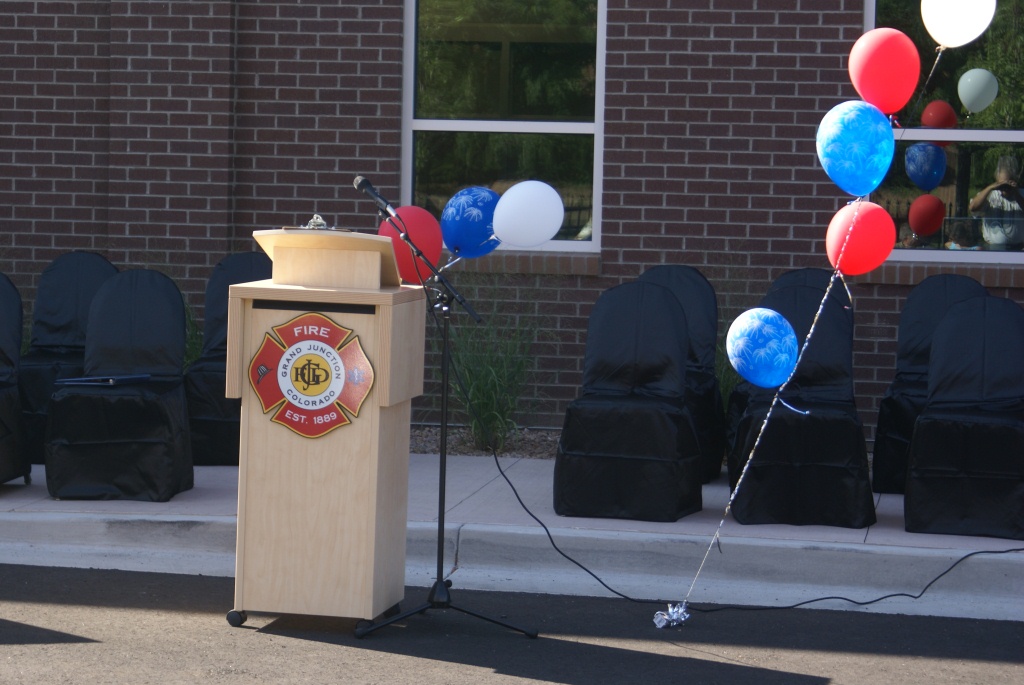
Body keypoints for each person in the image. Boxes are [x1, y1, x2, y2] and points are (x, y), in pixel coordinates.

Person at [969, 156, 1024, 250]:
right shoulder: (990, 195)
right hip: (993, 248)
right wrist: (990, 188)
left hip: (1018, 248)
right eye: (1002, 183)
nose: (1005, 187)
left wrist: (1015, 193)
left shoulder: (1021, 194)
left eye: (1008, 183)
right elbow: (973, 208)